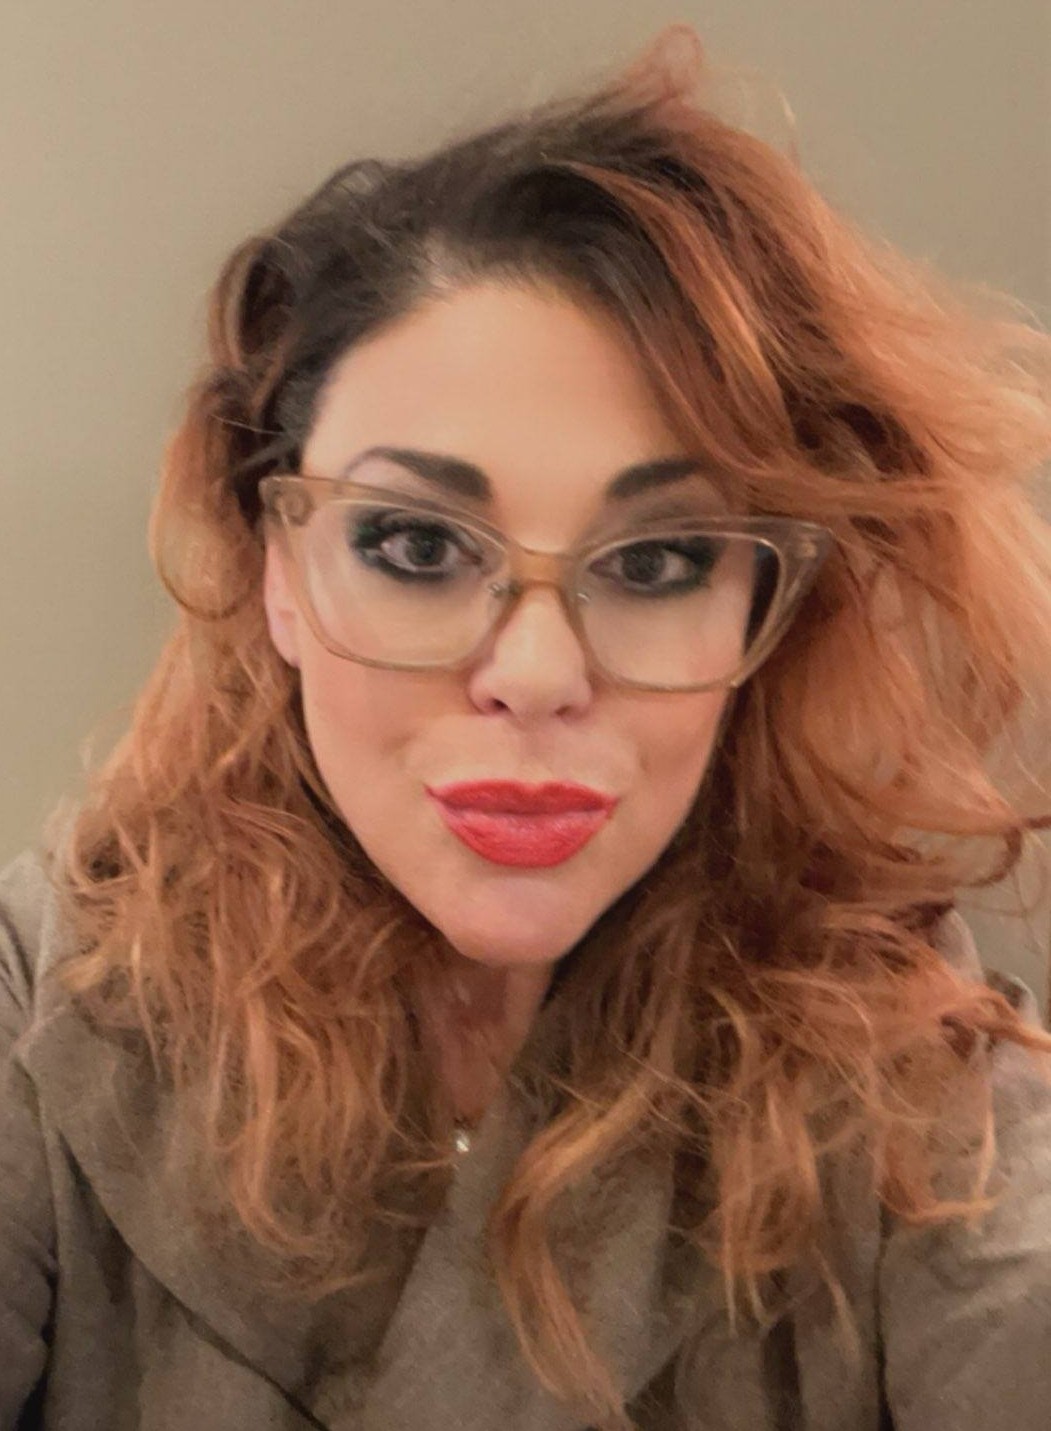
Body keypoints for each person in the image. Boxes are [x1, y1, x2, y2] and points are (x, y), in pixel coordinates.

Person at [2, 26, 1050, 1431]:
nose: (540, 674)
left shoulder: (912, 1076)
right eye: (418, 546)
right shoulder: (46, 999)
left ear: (761, 606)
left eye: (659, 561)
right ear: (278, 572)